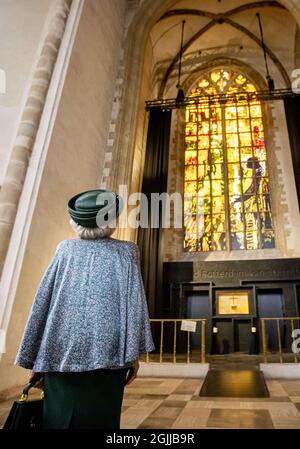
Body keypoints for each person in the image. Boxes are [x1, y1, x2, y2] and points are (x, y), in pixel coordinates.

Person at [15, 189, 154, 429]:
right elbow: (134, 303)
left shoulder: (64, 250)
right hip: (109, 354)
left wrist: (37, 358)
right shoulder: (126, 251)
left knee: (57, 420)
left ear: (75, 221)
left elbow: (43, 303)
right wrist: (132, 356)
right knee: (101, 420)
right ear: (111, 221)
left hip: (59, 352)